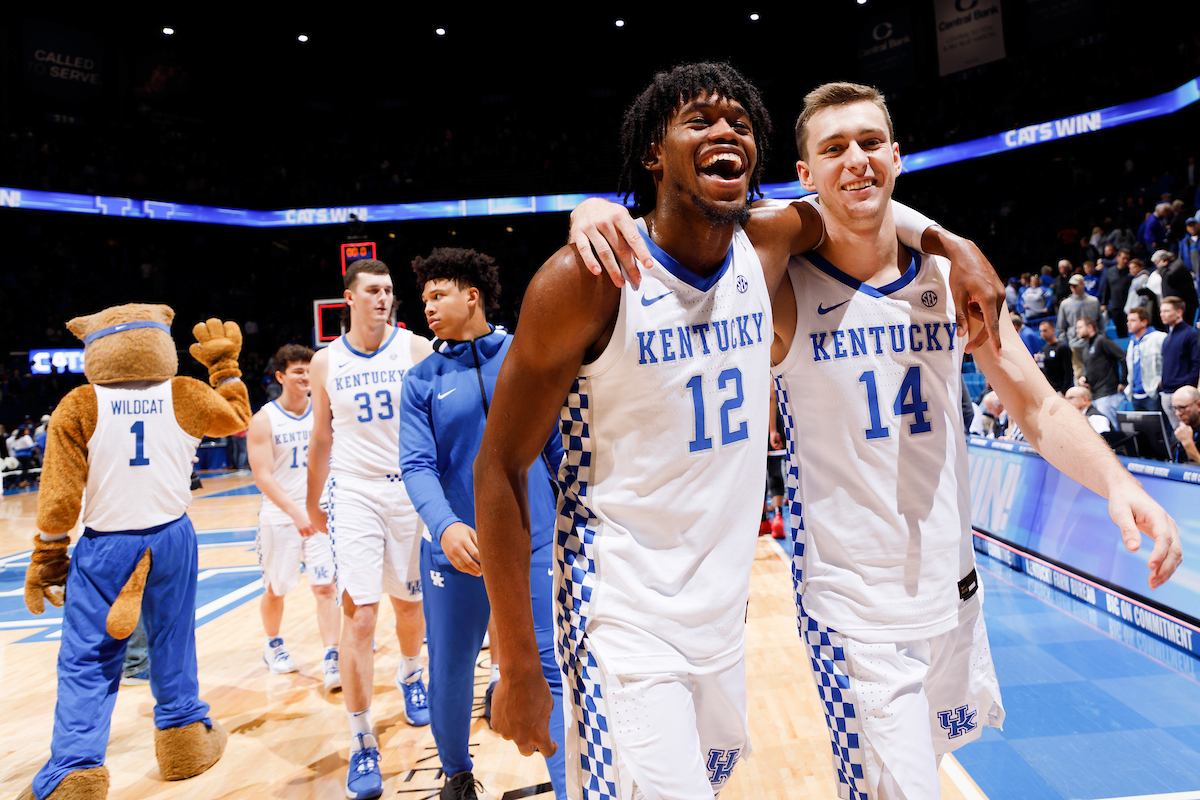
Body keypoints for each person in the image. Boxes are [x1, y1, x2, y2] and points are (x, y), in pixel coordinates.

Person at [474, 62, 1006, 800]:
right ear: (653, 153)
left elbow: (860, 209)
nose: (726, 131)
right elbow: (498, 466)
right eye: (699, 121)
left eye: (741, 123)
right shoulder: (586, 278)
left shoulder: (766, 246)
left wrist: (954, 246)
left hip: (722, 620)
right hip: (621, 615)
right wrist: (518, 665)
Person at [768, 81, 1180, 800]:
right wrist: (946, 233)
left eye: (870, 143)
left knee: (923, 778)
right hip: (851, 605)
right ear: (804, 176)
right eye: (833, 149)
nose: (856, 160)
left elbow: (1037, 405)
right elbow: (721, 230)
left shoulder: (949, 281)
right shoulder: (781, 285)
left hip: (950, 588)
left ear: (897, 157)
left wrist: (1122, 486)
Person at [398, 248, 567, 800]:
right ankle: (456, 774)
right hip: (458, 548)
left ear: (473, 295)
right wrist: (444, 525)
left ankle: (571, 784)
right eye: (422, 298)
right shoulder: (421, 379)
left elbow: (561, 444)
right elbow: (416, 464)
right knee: (451, 666)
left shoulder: (525, 354)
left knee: (548, 665)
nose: (426, 306)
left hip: (534, 540)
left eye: (437, 294)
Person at [306, 258, 435, 800]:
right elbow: (320, 438)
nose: (384, 298)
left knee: (409, 606)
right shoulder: (324, 361)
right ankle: (361, 740)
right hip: (354, 491)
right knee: (358, 619)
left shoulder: (416, 349)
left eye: (388, 291)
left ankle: (411, 673)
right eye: (373, 291)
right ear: (350, 298)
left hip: (408, 488)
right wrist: (313, 505)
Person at [246, 344, 341, 689]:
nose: (304, 376)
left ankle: (332, 655)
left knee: (325, 587)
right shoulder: (263, 420)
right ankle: (273, 645)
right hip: (280, 517)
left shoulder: (324, 412)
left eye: (308, 370)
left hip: (320, 515)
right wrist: (297, 512)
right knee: (276, 588)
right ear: (281, 377)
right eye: (298, 371)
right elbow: (263, 477)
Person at [1159, 296, 1200, 432]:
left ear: (1179, 312)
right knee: (1177, 434)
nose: (1162, 314)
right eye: (1161, 311)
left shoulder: (1190, 334)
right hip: (1166, 393)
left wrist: (1186, 387)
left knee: (1188, 432)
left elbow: (1196, 364)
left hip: (1182, 396)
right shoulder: (1167, 338)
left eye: (1166, 311)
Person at [1077, 316, 1127, 428]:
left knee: (1112, 430)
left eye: (1080, 327)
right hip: (1095, 396)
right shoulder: (1086, 349)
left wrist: (1123, 381)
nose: (1077, 330)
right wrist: (1085, 378)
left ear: (1090, 327)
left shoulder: (1102, 340)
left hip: (1108, 395)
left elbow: (1123, 357)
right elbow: (1095, 368)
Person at [1056, 274, 1100, 384]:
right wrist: (1063, 344)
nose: (1073, 288)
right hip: (1074, 344)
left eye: (1075, 285)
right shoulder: (1065, 304)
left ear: (1082, 285)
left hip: (1093, 343)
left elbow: (1100, 321)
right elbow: (1061, 326)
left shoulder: (1094, 301)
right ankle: (1081, 397)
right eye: (1071, 286)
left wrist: (1100, 337)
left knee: (1095, 369)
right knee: (1078, 372)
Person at [1124, 308, 1167, 412]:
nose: (1128, 323)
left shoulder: (1159, 337)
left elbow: (1169, 361)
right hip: (1135, 395)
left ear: (1144, 322)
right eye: (1128, 320)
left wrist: (1161, 382)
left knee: (1159, 427)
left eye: (1133, 320)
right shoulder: (1132, 342)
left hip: (1153, 394)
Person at [1100, 249, 1133, 338]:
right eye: (1123, 258)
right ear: (1118, 258)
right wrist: (1104, 303)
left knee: (1132, 329)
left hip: (1129, 306)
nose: (1126, 261)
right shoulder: (1110, 271)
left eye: (1127, 259)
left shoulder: (1130, 272)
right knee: (1120, 330)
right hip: (1115, 306)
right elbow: (1106, 289)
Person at [1038, 320, 1073, 395]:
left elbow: (1068, 371)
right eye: (1040, 331)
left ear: (1053, 330)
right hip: (1049, 390)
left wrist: (1064, 391)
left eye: (1045, 331)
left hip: (1060, 389)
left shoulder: (1062, 347)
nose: (1042, 333)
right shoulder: (1044, 348)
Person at [1170, 385, 1200, 463]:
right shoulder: (1179, 431)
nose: (1177, 413)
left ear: (1198, 405)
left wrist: (1188, 443)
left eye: (1182, 408)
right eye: (1175, 408)